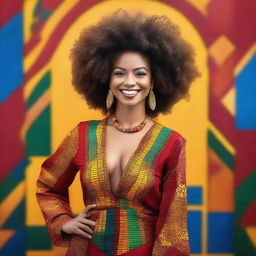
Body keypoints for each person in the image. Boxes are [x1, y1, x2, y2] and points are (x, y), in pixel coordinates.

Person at [36, 9, 201, 256]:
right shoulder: (82, 135)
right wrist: (63, 221)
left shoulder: (171, 143)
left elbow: (172, 223)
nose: (129, 81)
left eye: (140, 73)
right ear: (106, 78)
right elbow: (48, 186)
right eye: (120, 72)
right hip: (85, 250)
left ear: (155, 81)